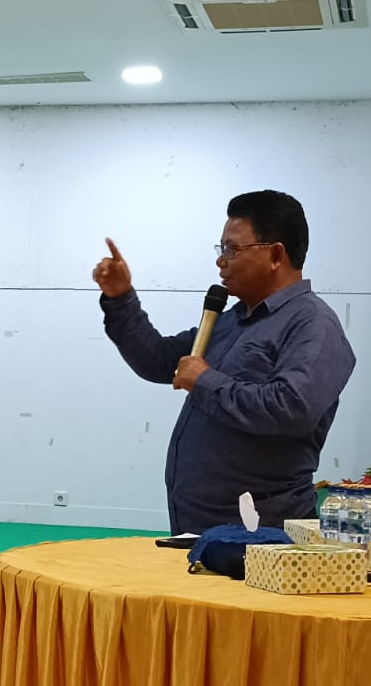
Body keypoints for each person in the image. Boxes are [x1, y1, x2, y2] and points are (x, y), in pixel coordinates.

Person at [93, 190, 356, 534]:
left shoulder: (313, 324)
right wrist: (121, 298)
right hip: (200, 523)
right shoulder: (231, 320)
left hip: (263, 533)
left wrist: (205, 381)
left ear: (276, 254)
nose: (221, 261)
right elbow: (157, 360)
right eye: (221, 249)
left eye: (232, 249)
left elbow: (293, 408)